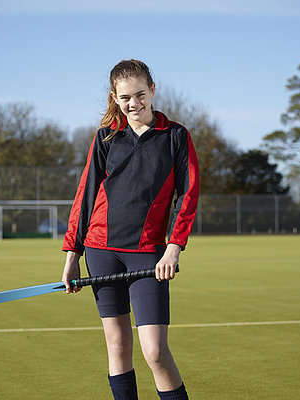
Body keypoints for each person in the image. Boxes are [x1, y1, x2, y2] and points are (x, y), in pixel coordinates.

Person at [61, 59, 199, 400]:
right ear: (114, 97)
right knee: (118, 346)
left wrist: (174, 246)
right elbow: (86, 194)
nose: (133, 103)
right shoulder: (106, 137)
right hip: (101, 251)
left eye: (140, 94)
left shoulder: (175, 136)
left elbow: (188, 193)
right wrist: (71, 255)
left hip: (148, 255)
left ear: (153, 91)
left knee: (155, 351)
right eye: (125, 98)